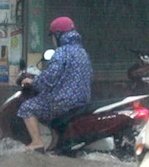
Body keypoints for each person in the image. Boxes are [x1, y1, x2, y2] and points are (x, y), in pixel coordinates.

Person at [18, 16, 93, 152]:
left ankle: (36, 142)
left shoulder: (61, 52)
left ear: (58, 35)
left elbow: (50, 77)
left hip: (64, 101)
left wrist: (33, 82)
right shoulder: (82, 52)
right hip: (82, 100)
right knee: (48, 110)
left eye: (52, 35)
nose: (52, 39)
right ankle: (55, 142)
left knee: (27, 107)